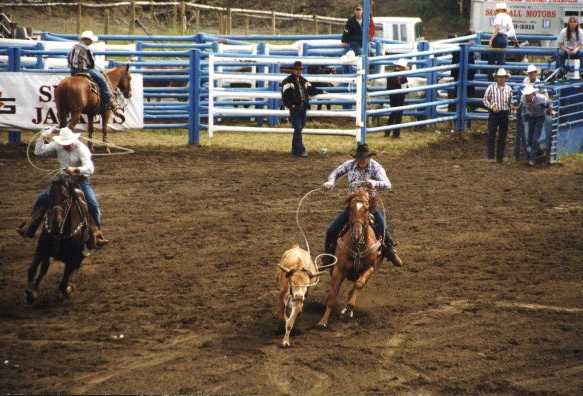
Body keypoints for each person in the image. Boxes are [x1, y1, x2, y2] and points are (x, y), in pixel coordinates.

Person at [17, 127, 109, 249]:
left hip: (80, 180)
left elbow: (90, 168)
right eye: (64, 144)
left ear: (73, 140)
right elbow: (38, 152)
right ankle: (30, 228)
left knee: (93, 205)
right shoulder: (57, 145)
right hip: (63, 179)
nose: (66, 146)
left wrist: (75, 169)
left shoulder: (82, 148)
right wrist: (42, 137)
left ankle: (97, 235)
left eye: (68, 143)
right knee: (42, 198)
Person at [322, 143, 403, 267]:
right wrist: (331, 181)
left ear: (369, 157)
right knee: (332, 229)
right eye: (360, 158)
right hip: (353, 206)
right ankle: (328, 255)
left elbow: (388, 184)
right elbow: (335, 173)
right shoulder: (349, 165)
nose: (362, 160)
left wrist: (374, 183)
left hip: (369, 206)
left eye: (365, 157)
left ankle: (390, 250)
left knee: (382, 227)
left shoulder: (376, 167)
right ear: (357, 158)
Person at [281, 61, 323, 157]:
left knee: (299, 128)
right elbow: (285, 96)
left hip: (303, 106)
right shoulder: (287, 81)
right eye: (297, 69)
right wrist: (291, 105)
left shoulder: (303, 80)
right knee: (298, 128)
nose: (298, 71)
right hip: (295, 107)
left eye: (300, 69)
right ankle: (301, 150)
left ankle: (295, 150)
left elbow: (311, 89)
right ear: (293, 70)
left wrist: (321, 91)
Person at [67, 30, 113, 111]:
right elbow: (91, 63)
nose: (91, 42)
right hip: (84, 70)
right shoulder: (86, 49)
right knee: (102, 80)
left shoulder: (73, 47)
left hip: (73, 71)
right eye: (91, 40)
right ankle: (107, 100)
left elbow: (68, 57)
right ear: (86, 40)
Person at [483, 68, 514, 163]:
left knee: (502, 136)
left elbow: (511, 101)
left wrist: (511, 107)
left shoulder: (509, 89)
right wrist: (492, 106)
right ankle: (491, 156)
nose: (501, 79)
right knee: (491, 134)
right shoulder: (491, 87)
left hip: (504, 113)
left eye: (503, 77)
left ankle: (499, 157)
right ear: (496, 78)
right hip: (494, 113)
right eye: (499, 77)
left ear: (505, 78)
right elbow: (485, 100)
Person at [520, 85, 555, 166]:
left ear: (533, 94)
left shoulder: (541, 99)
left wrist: (551, 110)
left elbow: (549, 103)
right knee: (529, 138)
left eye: (529, 95)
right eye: (526, 95)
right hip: (531, 117)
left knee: (535, 138)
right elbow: (522, 107)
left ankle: (532, 158)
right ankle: (539, 151)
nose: (527, 96)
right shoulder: (523, 98)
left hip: (540, 117)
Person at [488, 2, 517, 67]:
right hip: (505, 38)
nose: (497, 11)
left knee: (491, 58)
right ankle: (500, 74)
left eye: (497, 10)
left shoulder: (498, 15)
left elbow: (497, 28)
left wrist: (491, 39)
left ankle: (491, 75)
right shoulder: (508, 17)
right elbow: (512, 30)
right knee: (501, 59)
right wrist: (515, 41)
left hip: (498, 37)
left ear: (500, 10)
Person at [385, 58, 409, 138]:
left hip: (399, 97)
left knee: (396, 114)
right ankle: (392, 133)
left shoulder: (401, 76)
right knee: (396, 114)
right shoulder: (393, 76)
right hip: (396, 97)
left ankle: (393, 133)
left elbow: (406, 88)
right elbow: (389, 88)